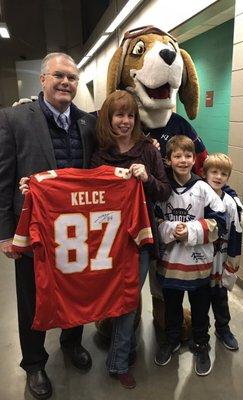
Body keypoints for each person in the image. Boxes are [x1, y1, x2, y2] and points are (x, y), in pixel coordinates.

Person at [0, 52, 97, 400]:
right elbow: (2, 178)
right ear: (42, 80)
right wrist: (5, 234)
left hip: (75, 231)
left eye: (72, 77)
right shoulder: (13, 118)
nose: (66, 82)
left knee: (76, 289)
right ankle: (34, 363)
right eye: (58, 75)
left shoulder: (88, 124)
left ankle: (71, 343)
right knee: (31, 298)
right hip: (33, 229)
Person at [90, 90, 171, 389]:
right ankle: (123, 349)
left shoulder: (148, 151)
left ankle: (118, 360)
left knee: (128, 300)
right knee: (116, 297)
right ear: (108, 118)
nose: (124, 121)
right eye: (119, 115)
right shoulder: (99, 154)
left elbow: (164, 191)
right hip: (108, 240)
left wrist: (147, 178)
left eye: (130, 116)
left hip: (140, 237)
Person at [154, 136, 227, 376]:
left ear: (194, 159)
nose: (183, 160)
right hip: (171, 263)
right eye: (177, 156)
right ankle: (172, 339)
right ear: (168, 159)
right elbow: (155, 220)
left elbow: (220, 221)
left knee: (199, 306)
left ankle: (200, 343)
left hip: (198, 263)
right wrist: (169, 230)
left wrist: (193, 231)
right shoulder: (163, 189)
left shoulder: (203, 188)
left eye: (188, 156)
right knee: (172, 305)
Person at [202, 153, 242, 351]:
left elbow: (236, 233)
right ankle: (199, 332)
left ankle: (223, 328)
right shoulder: (199, 196)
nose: (218, 177)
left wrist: (233, 261)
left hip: (221, 256)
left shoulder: (230, 203)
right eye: (214, 172)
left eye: (223, 173)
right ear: (205, 173)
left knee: (220, 297)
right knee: (200, 298)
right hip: (200, 258)